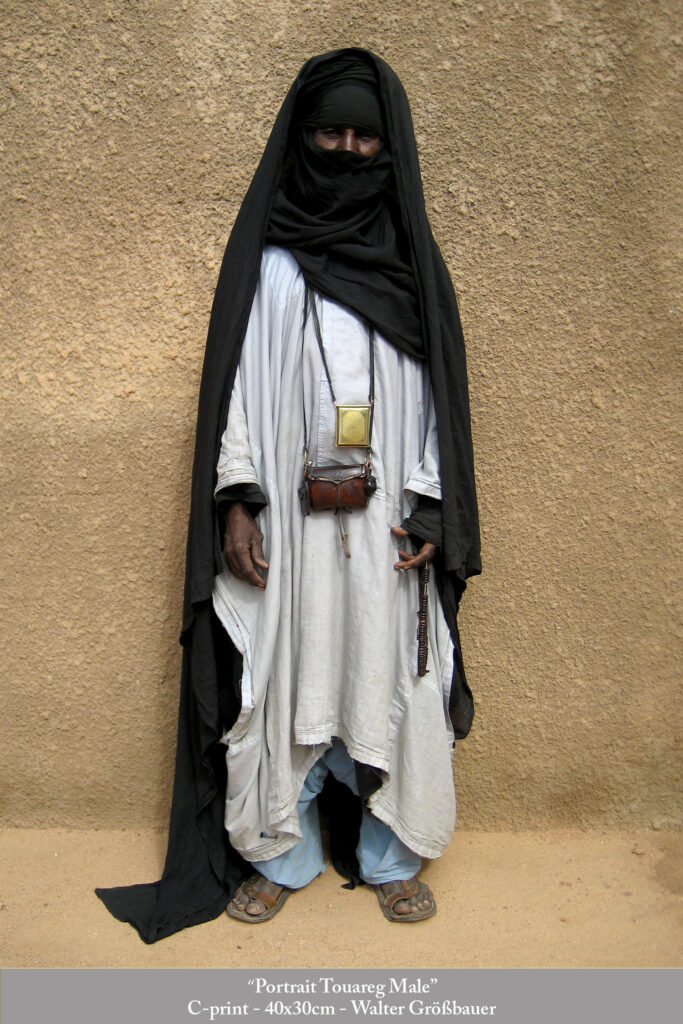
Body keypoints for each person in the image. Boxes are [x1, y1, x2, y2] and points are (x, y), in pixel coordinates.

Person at [97, 48, 480, 942]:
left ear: (388, 147)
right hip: (287, 525)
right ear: (301, 138)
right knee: (280, 674)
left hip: (388, 529)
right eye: (328, 133)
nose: (345, 151)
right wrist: (236, 498)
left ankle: (390, 858)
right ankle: (281, 855)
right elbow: (232, 390)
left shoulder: (412, 267)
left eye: (364, 138)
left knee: (388, 670)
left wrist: (432, 502)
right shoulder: (265, 263)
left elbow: (443, 404)